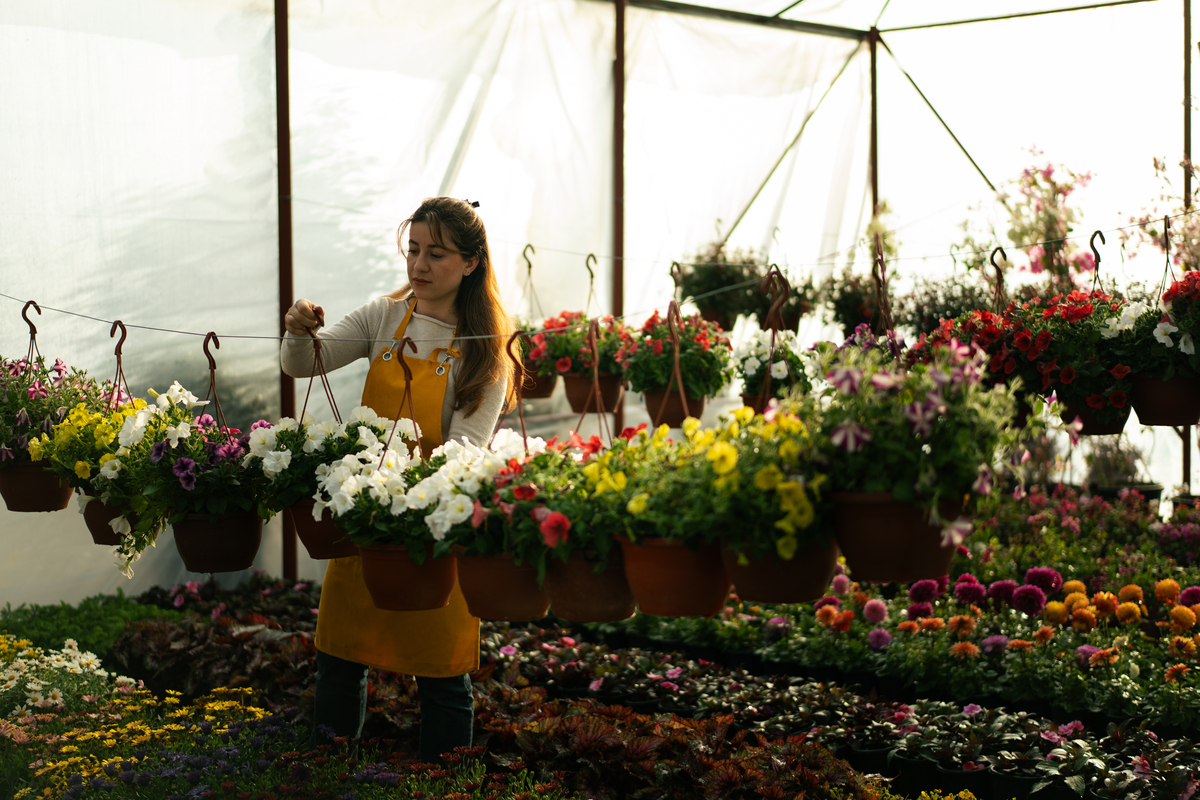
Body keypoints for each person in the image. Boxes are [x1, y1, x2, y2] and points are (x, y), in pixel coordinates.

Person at [280, 197, 514, 763]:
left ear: (471, 263)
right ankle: (327, 771)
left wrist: (397, 495)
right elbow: (302, 365)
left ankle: (442, 780)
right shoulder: (383, 318)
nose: (420, 265)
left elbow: (465, 450)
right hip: (365, 517)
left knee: (441, 675)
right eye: (413, 249)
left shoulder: (486, 352)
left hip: (432, 521)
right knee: (340, 660)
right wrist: (295, 329)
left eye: (437, 254)